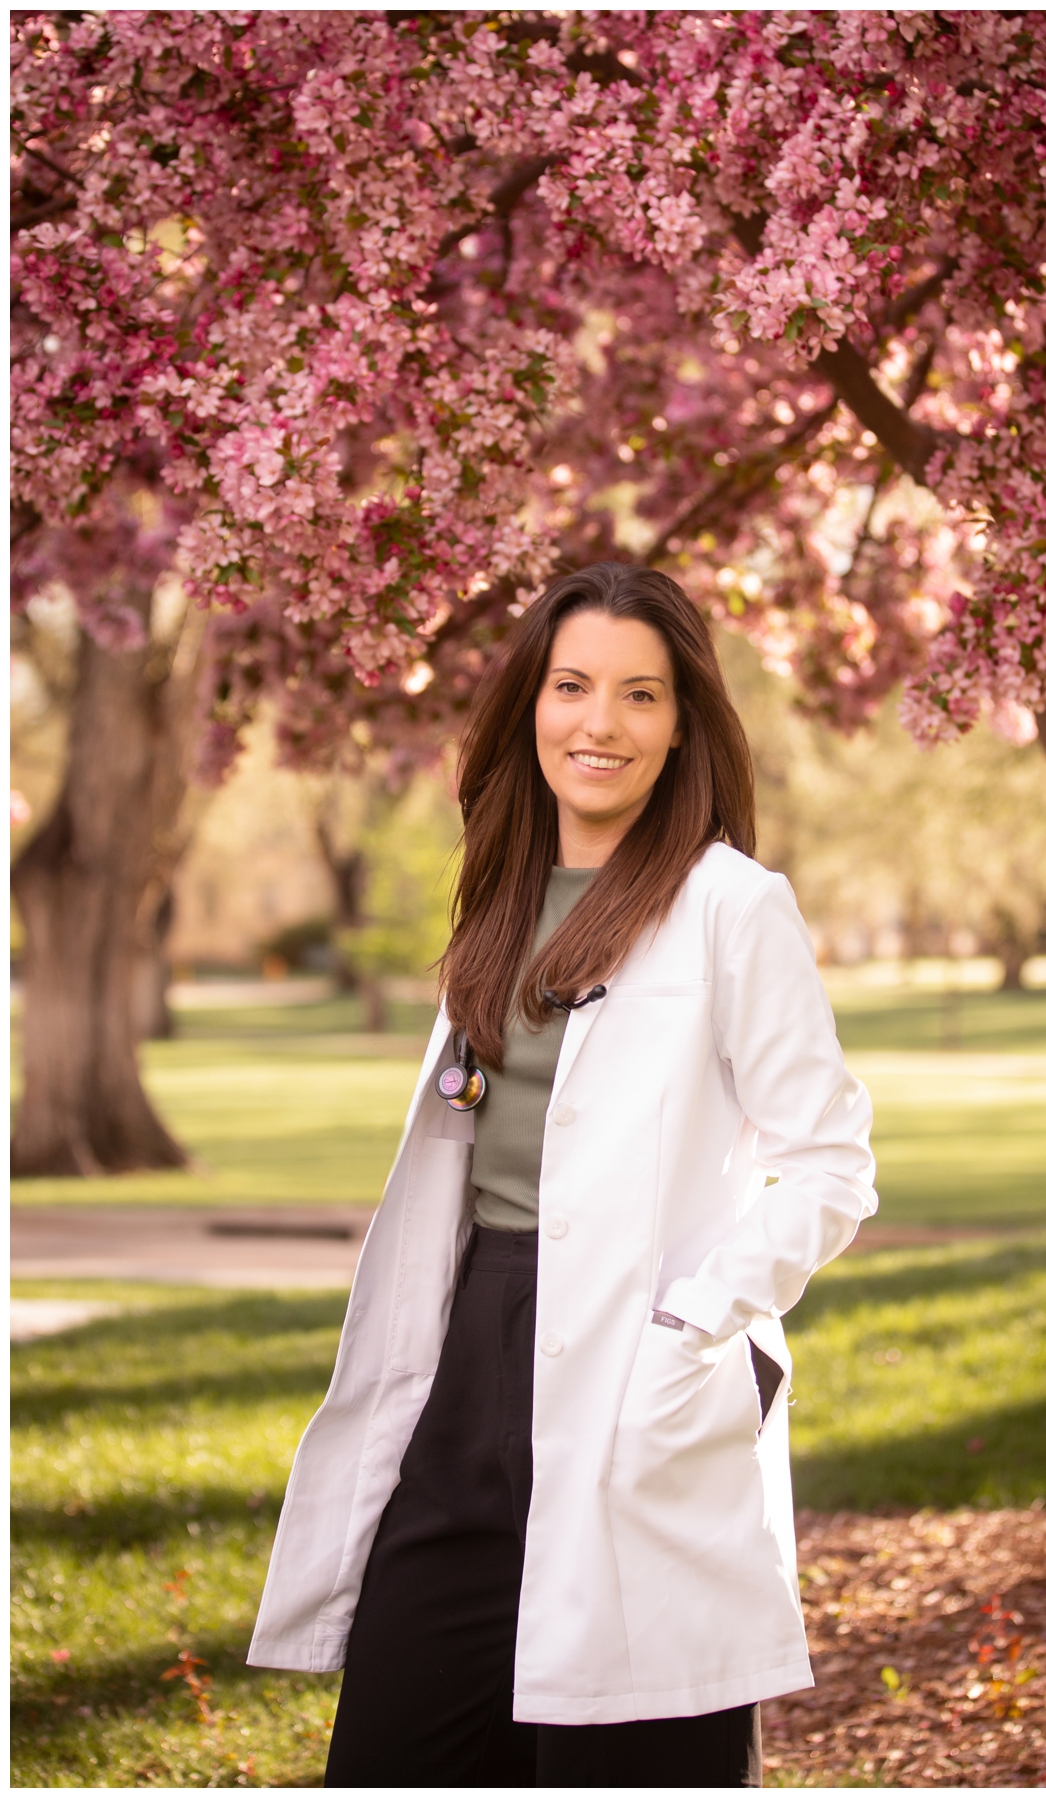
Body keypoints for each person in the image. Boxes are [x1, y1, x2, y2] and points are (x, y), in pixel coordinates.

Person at [249, 563, 876, 1786]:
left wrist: (698, 1318)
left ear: (682, 722)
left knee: (631, 1752)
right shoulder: (496, 896)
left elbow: (831, 1169)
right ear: (529, 704)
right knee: (396, 1743)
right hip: (470, 1356)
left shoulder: (730, 908)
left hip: (638, 1355)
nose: (602, 723)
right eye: (574, 685)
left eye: (641, 695)